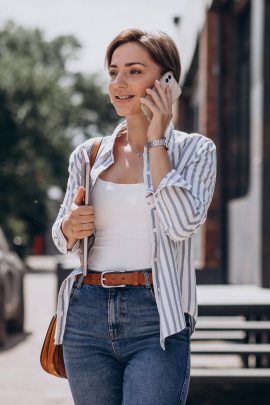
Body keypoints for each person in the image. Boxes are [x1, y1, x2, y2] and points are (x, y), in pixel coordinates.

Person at [52, 28, 216, 405]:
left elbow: (180, 226)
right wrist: (70, 226)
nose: (118, 83)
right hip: (86, 314)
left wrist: (157, 141)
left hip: (157, 317)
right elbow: (63, 239)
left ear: (167, 81)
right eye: (113, 71)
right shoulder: (89, 155)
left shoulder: (195, 151)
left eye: (134, 71)